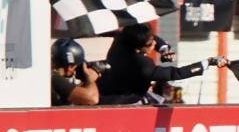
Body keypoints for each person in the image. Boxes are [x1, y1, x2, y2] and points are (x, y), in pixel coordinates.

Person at [98, 23, 228, 104]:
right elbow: (176, 73)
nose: (154, 43)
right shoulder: (143, 65)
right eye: (150, 44)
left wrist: (164, 49)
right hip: (121, 103)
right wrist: (208, 62)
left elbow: (150, 37)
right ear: (139, 48)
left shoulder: (121, 40)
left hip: (103, 92)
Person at [51, 37, 100, 106]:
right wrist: (90, 79)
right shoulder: (54, 78)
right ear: (70, 67)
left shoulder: (49, 76)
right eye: (77, 66)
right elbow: (92, 99)